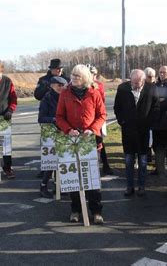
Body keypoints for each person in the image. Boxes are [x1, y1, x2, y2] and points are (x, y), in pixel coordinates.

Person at [56, 64, 106, 224]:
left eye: (77, 76)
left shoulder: (94, 93)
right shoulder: (65, 93)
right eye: (72, 75)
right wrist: (68, 129)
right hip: (71, 140)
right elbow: (59, 116)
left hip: (89, 139)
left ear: (84, 78)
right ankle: (75, 209)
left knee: (91, 178)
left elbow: (102, 115)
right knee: (74, 178)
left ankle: (96, 210)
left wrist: (93, 129)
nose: (73, 78)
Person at [114, 69, 159, 196]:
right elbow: (117, 107)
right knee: (128, 161)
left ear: (143, 80)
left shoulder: (151, 89)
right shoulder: (122, 88)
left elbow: (156, 108)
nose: (134, 85)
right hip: (128, 131)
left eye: (137, 83)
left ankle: (142, 186)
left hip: (143, 131)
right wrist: (122, 121)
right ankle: (129, 187)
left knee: (143, 161)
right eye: (132, 82)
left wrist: (149, 123)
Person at [38, 76, 67, 198]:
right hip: (51, 132)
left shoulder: (66, 97)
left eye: (62, 86)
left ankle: (61, 186)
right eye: (58, 85)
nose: (60, 88)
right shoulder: (47, 98)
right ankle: (43, 185)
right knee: (51, 161)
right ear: (52, 86)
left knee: (64, 160)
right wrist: (54, 120)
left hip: (65, 131)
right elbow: (41, 118)